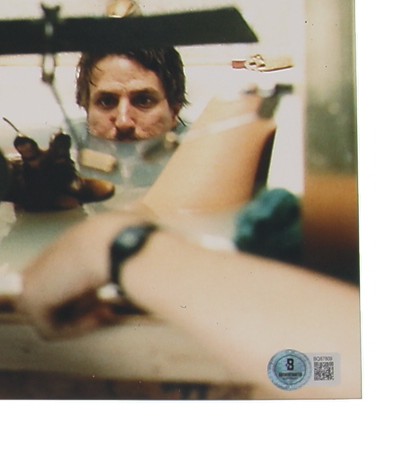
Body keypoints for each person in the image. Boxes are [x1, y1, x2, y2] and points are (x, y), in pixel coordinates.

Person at [18, 88, 361, 399]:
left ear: (175, 109)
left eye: (143, 101)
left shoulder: (220, 134)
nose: (122, 120)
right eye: (106, 101)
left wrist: (110, 244)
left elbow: (337, 367)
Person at [75, 47, 188, 142]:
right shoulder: (69, 148)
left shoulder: (195, 151)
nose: (123, 123)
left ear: (174, 112)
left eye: (143, 101)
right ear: (87, 110)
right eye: (107, 102)